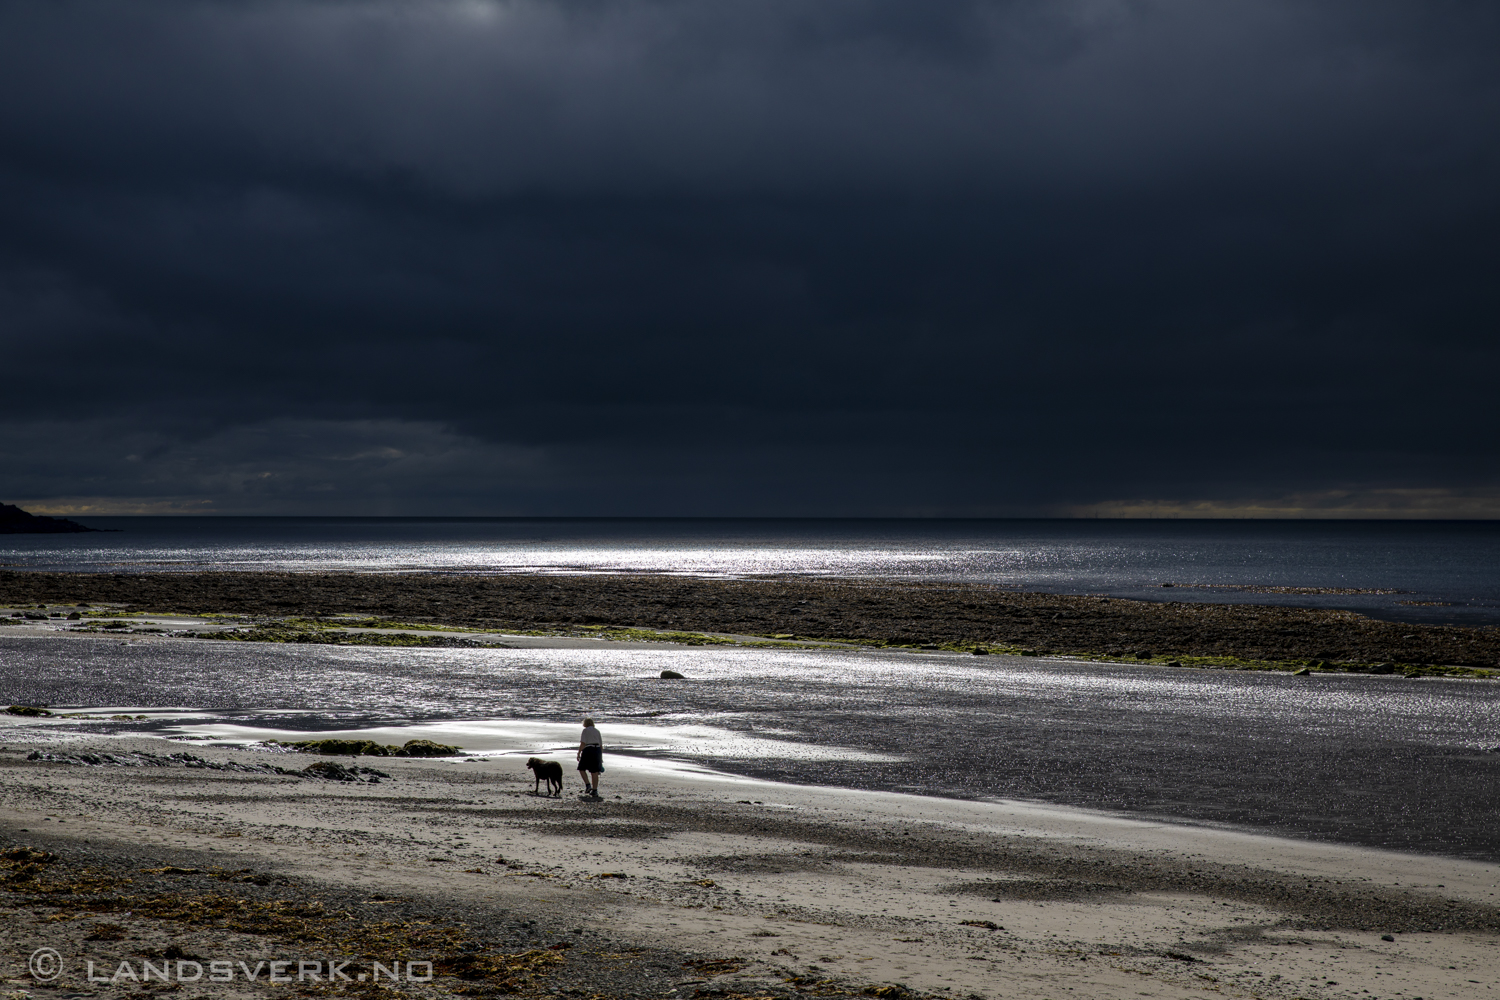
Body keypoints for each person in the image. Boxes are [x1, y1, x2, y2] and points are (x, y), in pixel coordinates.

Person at [577, 717, 604, 798]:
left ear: (585, 724)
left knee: (581, 768)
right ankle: (595, 790)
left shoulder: (585, 730)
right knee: (595, 771)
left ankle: (588, 785)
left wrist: (578, 753)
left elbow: (583, 743)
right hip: (597, 750)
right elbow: (601, 745)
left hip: (588, 749)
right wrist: (601, 757)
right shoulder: (597, 731)